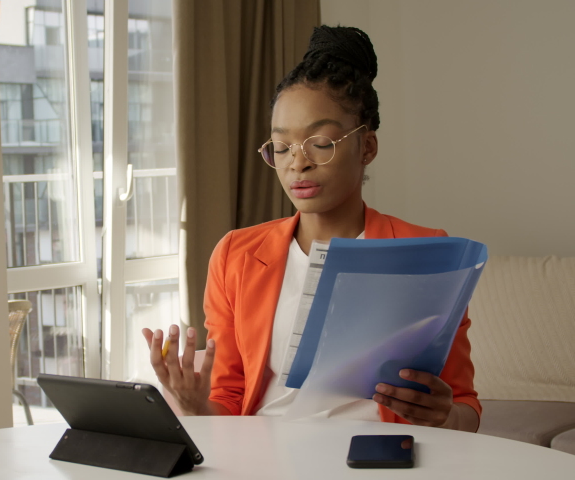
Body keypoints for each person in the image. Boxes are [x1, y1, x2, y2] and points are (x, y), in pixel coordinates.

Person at [142, 25, 481, 432]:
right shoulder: (236, 254)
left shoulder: (425, 252)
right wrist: (195, 405)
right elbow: (228, 403)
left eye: (320, 144)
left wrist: (444, 415)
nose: (296, 164)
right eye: (282, 147)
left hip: (374, 457)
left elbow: (464, 408)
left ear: (367, 147)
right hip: (264, 457)